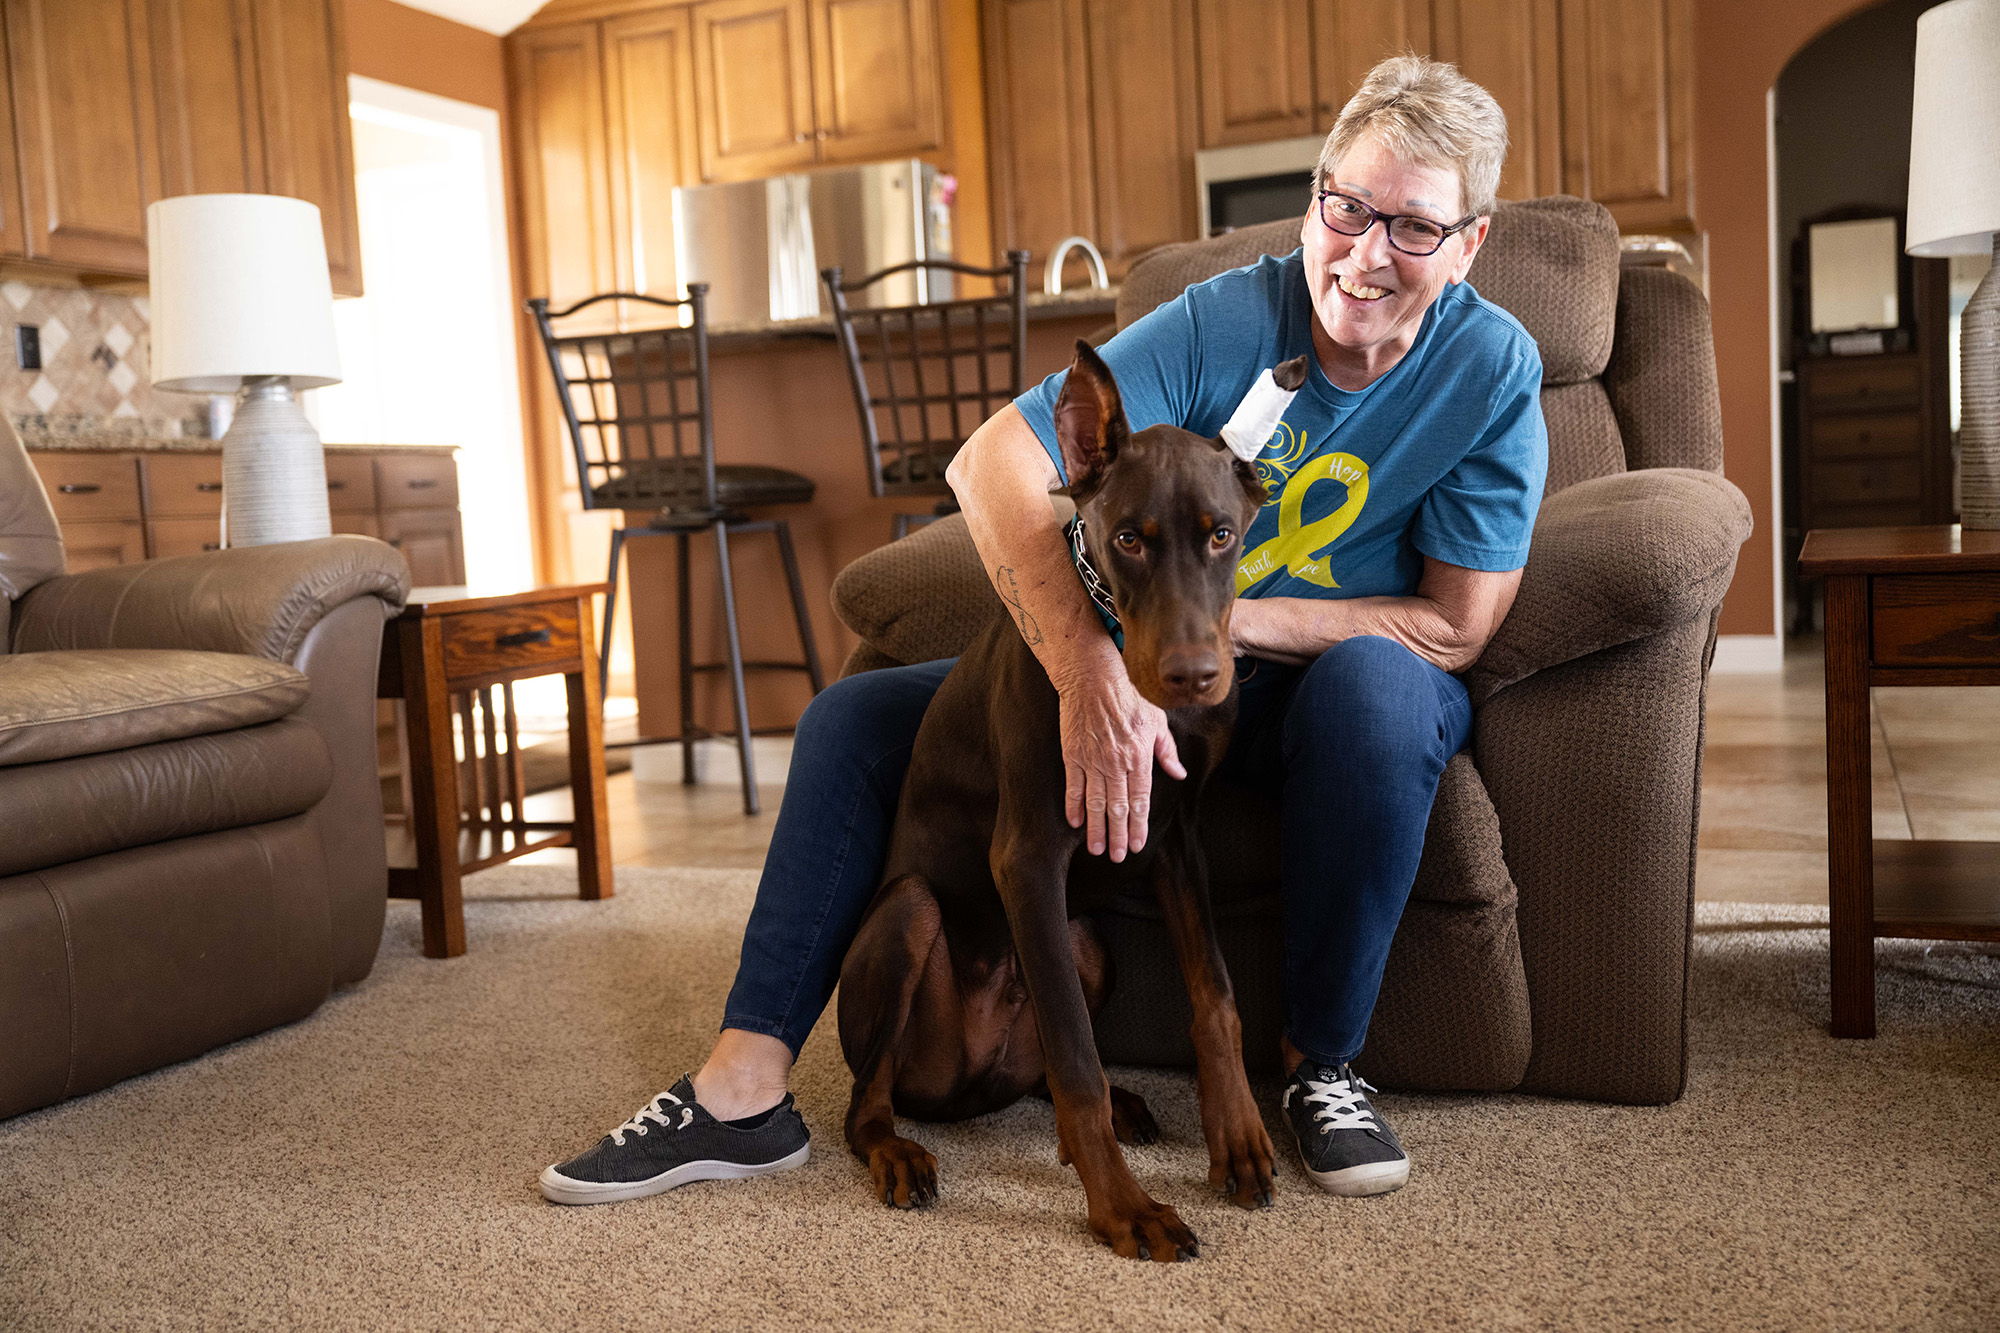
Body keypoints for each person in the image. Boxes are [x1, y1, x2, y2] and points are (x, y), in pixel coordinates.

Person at [539, 53, 1546, 1207]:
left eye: (1410, 228)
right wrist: (1092, 668)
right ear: (1315, 194)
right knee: (856, 713)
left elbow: (1455, 624)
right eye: (1345, 208)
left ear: (1468, 242)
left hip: (1313, 685)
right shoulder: (1229, 312)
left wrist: (1219, 634)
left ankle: (1320, 1066)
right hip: (1156, 657)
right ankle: (741, 1088)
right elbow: (989, 462)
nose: (1364, 255)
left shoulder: (1490, 367)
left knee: (1375, 693)